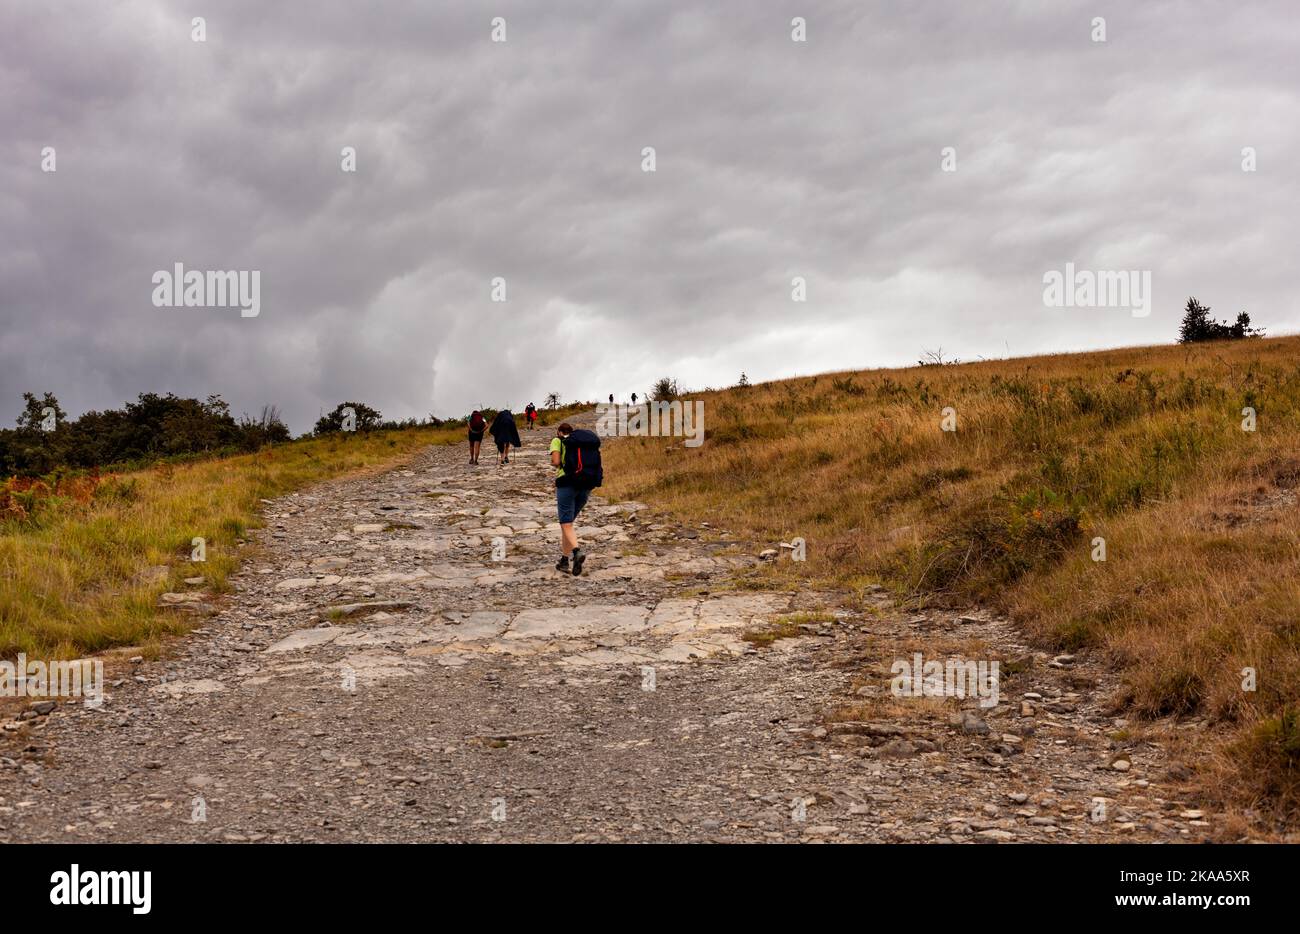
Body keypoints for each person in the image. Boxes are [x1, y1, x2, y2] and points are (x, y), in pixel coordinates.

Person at [550, 422, 602, 575]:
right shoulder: (583, 444)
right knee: (568, 524)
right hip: (586, 485)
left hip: (566, 483)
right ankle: (564, 561)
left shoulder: (558, 441)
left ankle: (577, 552)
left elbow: (556, 462)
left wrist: (554, 463)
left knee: (565, 523)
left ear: (559, 432)